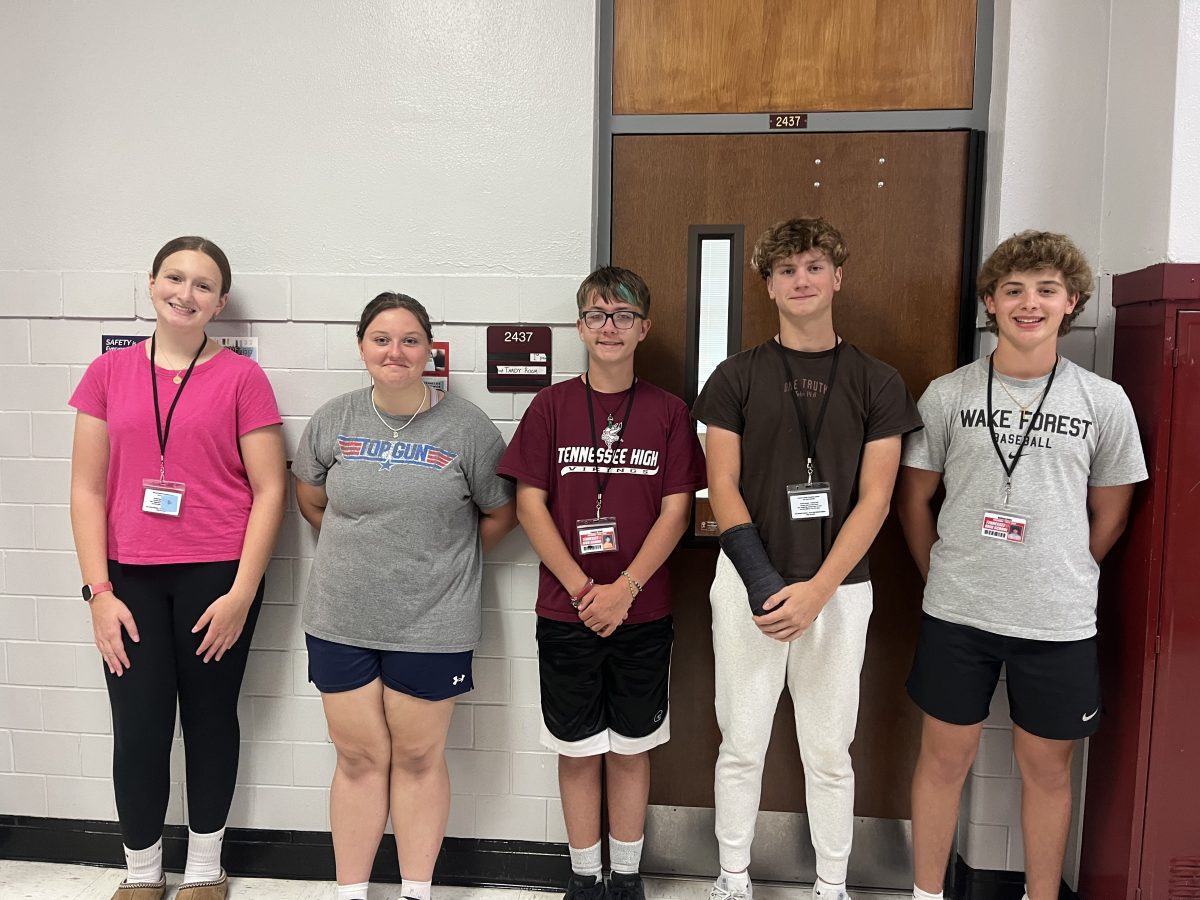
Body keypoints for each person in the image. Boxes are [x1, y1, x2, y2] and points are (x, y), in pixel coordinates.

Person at [896, 231, 1147, 900]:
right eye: (1013, 290)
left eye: (1045, 290)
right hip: (958, 612)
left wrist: (1061, 568)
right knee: (944, 761)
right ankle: (926, 894)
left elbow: (1112, 513)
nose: (1028, 303)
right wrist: (939, 573)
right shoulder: (947, 394)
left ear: (1072, 303)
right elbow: (914, 497)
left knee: (1048, 770)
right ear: (989, 302)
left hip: (1058, 619)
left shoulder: (1104, 402)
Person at [693, 218, 922, 900]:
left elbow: (877, 499)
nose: (802, 280)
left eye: (814, 266)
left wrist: (818, 590)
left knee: (828, 751)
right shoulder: (735, 375)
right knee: (741, 742)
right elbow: (722, 485)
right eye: (787, 270)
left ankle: (832, 883)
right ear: (768, 285)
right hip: (747, 586)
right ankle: (732, 877)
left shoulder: (878, 381)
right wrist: (764, 582)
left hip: (840, 590)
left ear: (838, 277)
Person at [70, 236, 287, 900]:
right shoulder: (107, 374)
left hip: (216, 576)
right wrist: (98, 593)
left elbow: (271, 489)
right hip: (128, 577)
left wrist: (243, 593)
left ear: (220, 302)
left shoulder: (243, 378)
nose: (184, 293)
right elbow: (86, 489)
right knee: (138, 727)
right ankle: (141, 873)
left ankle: (203, 870)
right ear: (151, 283)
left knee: (210, 720)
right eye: (174, 278)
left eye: (202, 285)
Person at [292, 293, 517, 900]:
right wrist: (364, 552)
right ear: (362, 346)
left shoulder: (468, 428)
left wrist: (443, 561)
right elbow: (311, 500)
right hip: (340, 618)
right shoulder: (333, 419)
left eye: (410, 339)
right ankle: (352, 891)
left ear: (430, 351)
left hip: (434, 622)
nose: (396, 351)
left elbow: (499, 514)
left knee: (419, 759)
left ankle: (416, 890)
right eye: (382, 339)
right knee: (359, 759)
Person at [498, 267, 707, 900]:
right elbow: (529, 505)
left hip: (644, 613)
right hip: (567, 611)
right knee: (579, 748)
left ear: (644, 328)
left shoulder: (670, 412)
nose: (609, 326)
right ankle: (585, 877)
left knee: (632, 747)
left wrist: (627, 590)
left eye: (622, 315)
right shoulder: (550, 407)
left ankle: (628, 875)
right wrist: (586, 589)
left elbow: (678, 510)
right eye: (596, 314)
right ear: (580, 327)